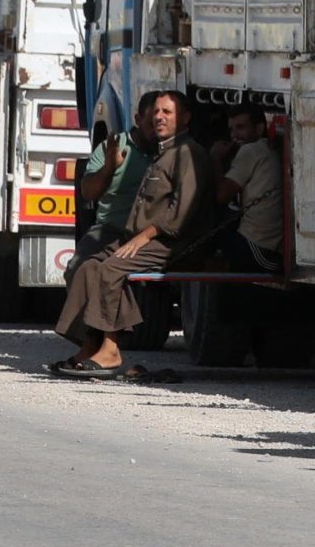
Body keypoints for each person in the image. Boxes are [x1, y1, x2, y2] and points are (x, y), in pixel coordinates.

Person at [48, 89, 211, 379]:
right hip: (143, 237)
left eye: (167, 112)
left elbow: (179, 214)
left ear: (185, 118)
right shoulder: (163, 151)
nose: (159, 117)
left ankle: (111, 350)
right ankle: (90, 344)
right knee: (88, 267)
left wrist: (142, 236)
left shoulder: (187, 153)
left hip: (171, 242)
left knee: (110, 269)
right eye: (156, 112)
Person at [72, 94, 158, 264]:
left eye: (160, 125)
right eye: (151, 124)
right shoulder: (114, 147)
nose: (156, 131)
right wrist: (109, 168)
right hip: (110, 231)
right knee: (80, 267)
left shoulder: (170, 152)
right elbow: (88, 192)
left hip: (150, 235)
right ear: (138, 120)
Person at [214, 107, 284, 272]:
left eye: (241, 127)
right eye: (231, 129)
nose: (234, 135)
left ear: (259, 129)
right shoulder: (266, 149)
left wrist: (215, 158)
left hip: (257, 245)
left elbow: (221, 195)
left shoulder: (251, 150)